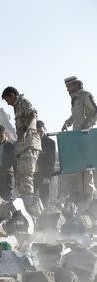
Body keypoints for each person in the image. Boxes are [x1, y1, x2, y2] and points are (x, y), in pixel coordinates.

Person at [61, 76, 96, 205]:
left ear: (76, 85)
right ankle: (83, 201)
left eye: (69, 86)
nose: (67, 89)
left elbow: (95, 112)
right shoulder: (75, 98)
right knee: (79, 168)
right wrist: (68, 122)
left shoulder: (84, 95)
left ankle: (90, 201)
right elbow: (76, 115)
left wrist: (88, 124)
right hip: (77, 138)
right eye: (66, 87)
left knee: (87, 170)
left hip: (85, 137)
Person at [1, 86, 41, 199]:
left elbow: (33, 115)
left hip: (29, 144)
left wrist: (24, 131)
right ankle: (25, 201)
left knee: (26, 175)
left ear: (12, 95)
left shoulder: (23, 102)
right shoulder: (17, 107)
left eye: (8, 100)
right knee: (21, 175)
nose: (8, 104)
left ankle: (30, 205)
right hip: (23, 146)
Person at [34, 120, 56, 206]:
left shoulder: (50, 143)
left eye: (41, 131)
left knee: (44, 197)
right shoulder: (32, 142)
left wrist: (47, 176)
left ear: (44, 129)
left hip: (44, 175)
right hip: (34, 174)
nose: (39, 134)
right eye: (37, 132)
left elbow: (51, 161)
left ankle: (45, 217)